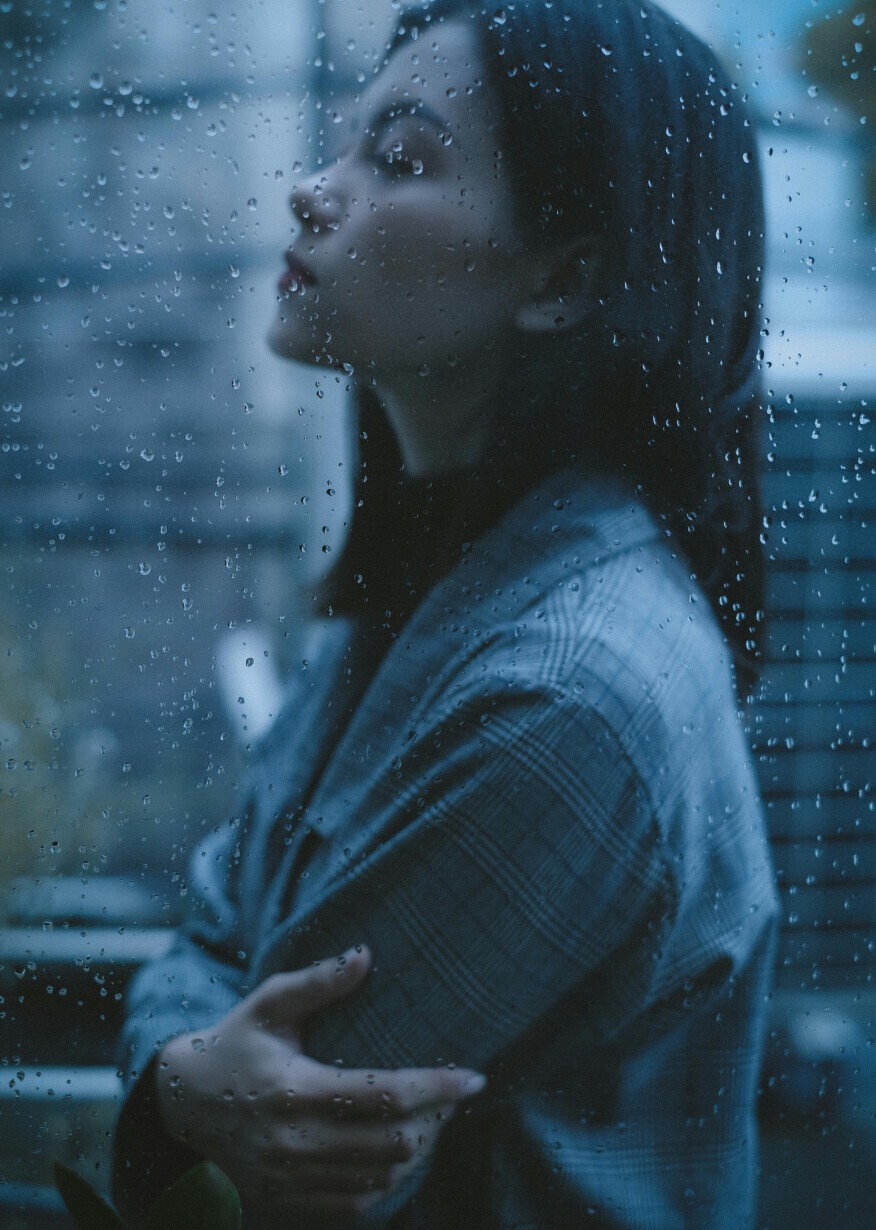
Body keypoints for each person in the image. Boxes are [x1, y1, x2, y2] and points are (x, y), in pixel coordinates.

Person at [113, 2, 779, 1226]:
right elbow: (210, 942)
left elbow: (277, 1148)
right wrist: (183, 1073)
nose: (316, 191)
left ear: (567, 278)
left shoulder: (565, 693)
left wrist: (178, 1083)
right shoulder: (434, 582)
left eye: (400, 160)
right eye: (339, 144)